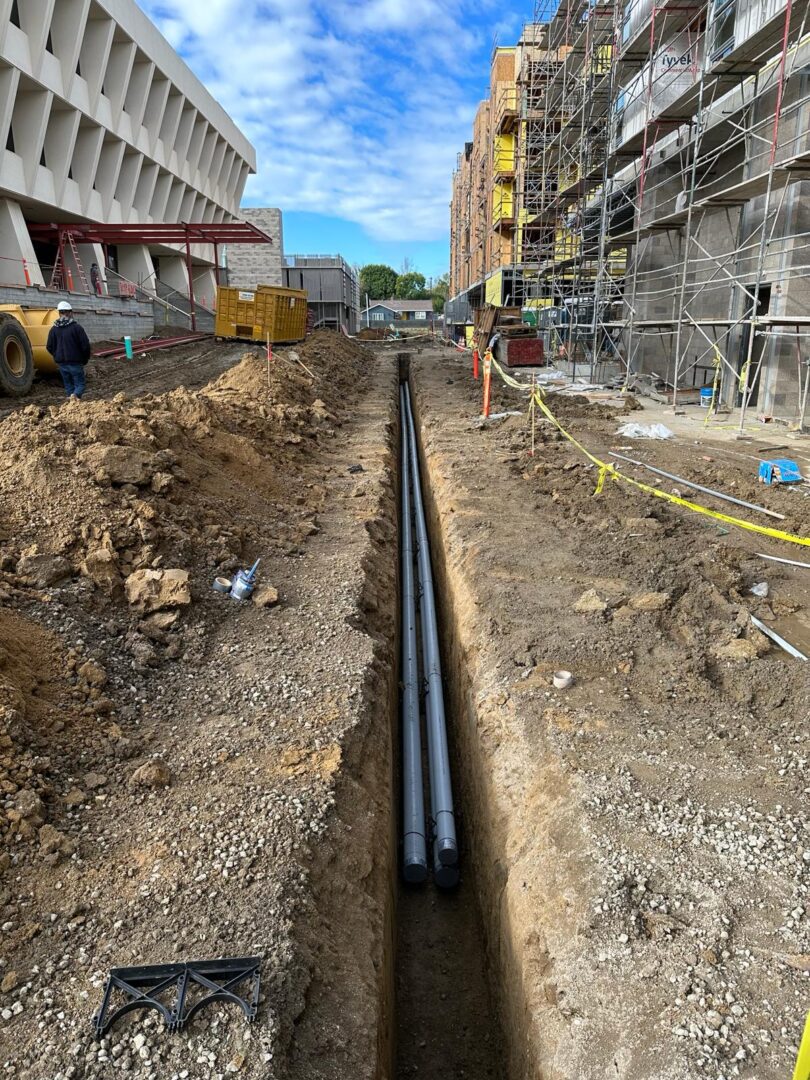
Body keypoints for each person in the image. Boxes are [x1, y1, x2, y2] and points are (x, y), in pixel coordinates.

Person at [46, 301, 92, 399]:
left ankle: (72, 402)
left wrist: (57, 355)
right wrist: (85, 359)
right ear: (70, 313)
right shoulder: (77, 328)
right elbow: (85, 346)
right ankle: (75, 397)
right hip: (75, 362)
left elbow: (49, 346)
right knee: (80, 384)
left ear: (59, 313)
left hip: (61, 363)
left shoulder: (53, 330)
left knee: (68, 385)